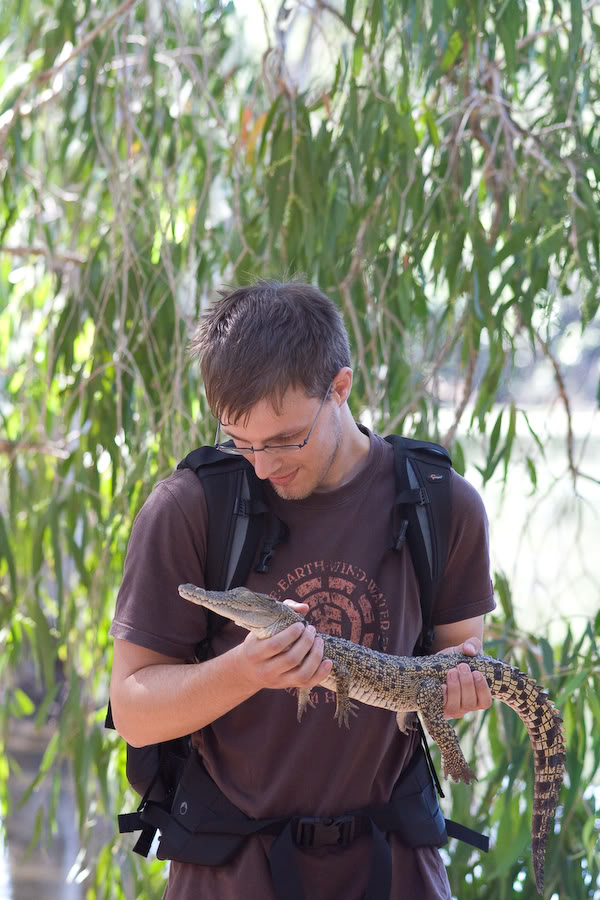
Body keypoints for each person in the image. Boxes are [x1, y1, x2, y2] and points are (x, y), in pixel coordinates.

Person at [109, 279, 495, 899]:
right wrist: (247, 671)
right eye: (241, 441)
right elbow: (133, 712)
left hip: (393, 868)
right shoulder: (188, 509)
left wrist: (464, 692)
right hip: (231, 873)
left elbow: (456, 671)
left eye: (285, 438)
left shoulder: (442, 503)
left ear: (339, 388)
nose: (263, 465)